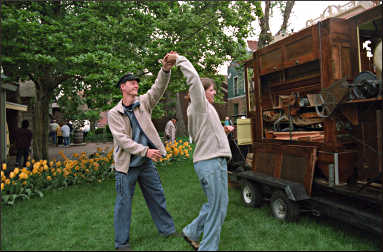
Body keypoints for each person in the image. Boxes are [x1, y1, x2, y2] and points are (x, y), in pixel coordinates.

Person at [107, 51, 179, 251]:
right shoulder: (114, 114)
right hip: (126, 166)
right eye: (131, 82)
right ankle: (121, 244)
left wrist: (165, 70)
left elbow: (158, 88)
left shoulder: (143, 103)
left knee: (157, 196)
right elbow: (122, 140)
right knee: (124, 204)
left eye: (137, 82)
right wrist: (145, 151)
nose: (136, 85)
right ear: (123, 87)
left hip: (145, 165)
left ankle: (167, 230)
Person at [175, 54, 234, 251]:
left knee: (216, 205)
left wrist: (223, 131)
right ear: (202, 92)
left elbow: (208, 133)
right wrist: (180, 59)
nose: (215, 92)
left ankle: (191, 231)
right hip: (210, 162)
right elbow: (193, 79)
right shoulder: (199, 106)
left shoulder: (206, 110)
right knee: (217, 209)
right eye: (211, 89)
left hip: (212, 161)